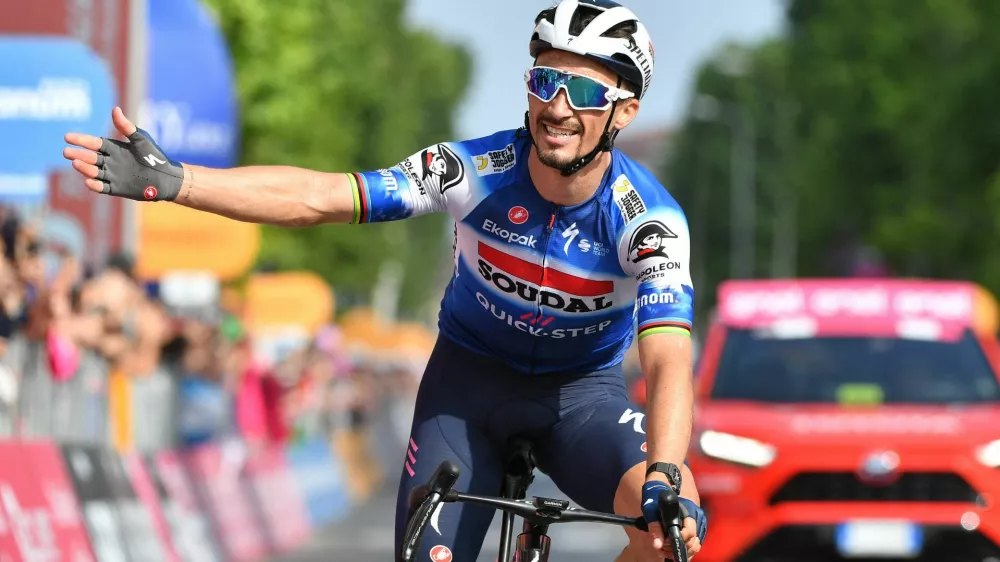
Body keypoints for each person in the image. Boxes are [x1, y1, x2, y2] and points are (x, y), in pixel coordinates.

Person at [62, 1, 707, 559]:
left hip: (582, 397)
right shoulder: (473, 168)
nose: (558, 108)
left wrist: (666, 474)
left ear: (624, 110)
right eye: (545, 82)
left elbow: (668, 355)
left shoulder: (647, 219)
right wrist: (180, 182)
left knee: (670, 528)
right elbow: (324, 197)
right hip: (470, 385)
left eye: (587, 93)